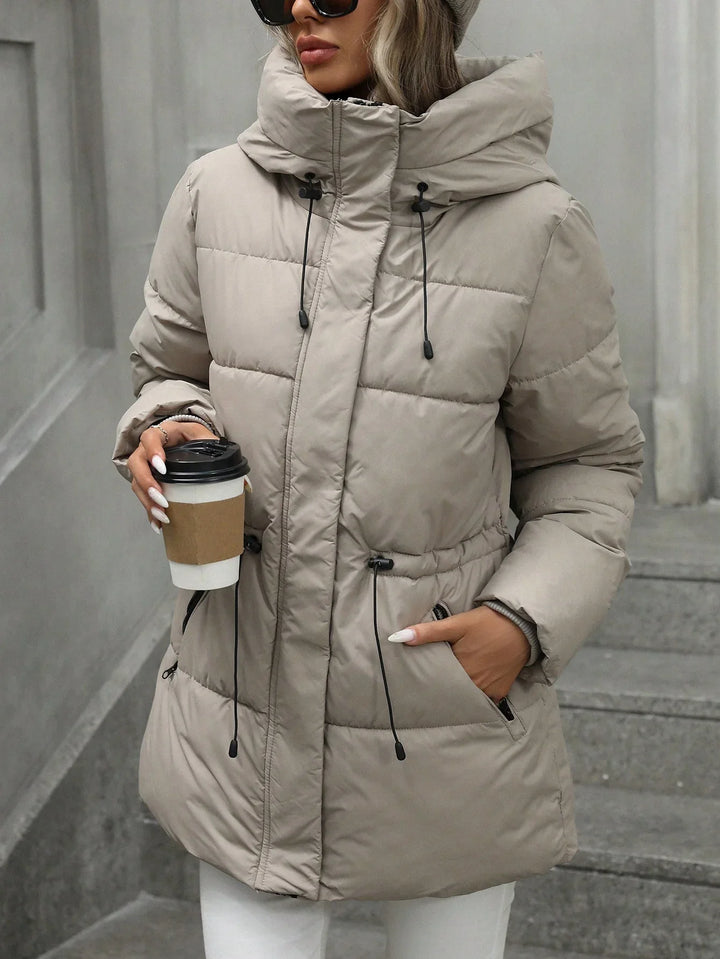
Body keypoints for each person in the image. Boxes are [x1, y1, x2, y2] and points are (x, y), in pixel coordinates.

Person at [112, 0, 645, 955]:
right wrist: (168, 425)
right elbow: (168, 365)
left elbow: (587, 463)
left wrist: (520, 626)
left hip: (442, 724)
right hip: (246, 726)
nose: (300, 12)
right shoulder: (215, 192)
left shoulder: (535, 227)